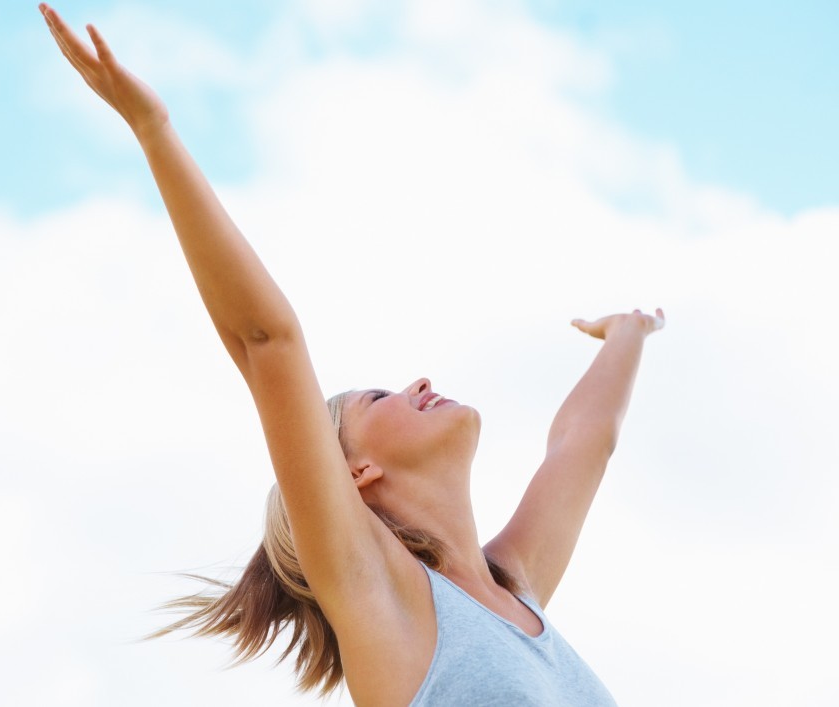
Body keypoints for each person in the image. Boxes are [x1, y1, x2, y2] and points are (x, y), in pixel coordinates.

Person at [40, 5, 665, 705]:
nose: (417, 382)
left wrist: (628, 333)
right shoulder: (377, 590)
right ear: (354, 472)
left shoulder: (516, 584)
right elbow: (266, 340)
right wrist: (153, 129)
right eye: (379, 397)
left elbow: (583, 442)